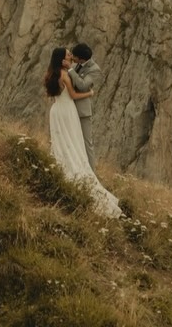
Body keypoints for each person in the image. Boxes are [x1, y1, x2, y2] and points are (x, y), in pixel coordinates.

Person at [44, 47, 120, 218]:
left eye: (72, 54)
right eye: (68, 54)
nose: (71, 56)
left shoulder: (52, 73)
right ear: (63, 59)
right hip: (69, 110)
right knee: (75, 142)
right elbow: (74, 93)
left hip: (56, 111)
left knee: (62, 142)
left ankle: (61, 167)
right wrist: (90, 93)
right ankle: (83, 174)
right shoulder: (66, 73)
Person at [68, 42, 101, 169]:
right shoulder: (76, 64)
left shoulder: (94, 69)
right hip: (70, 108)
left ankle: (92, 173)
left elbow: (82, 85)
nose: (72, 58)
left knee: (87, 142)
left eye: (74, 56)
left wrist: (70, 69)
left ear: (81, 58)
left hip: (83, 111)